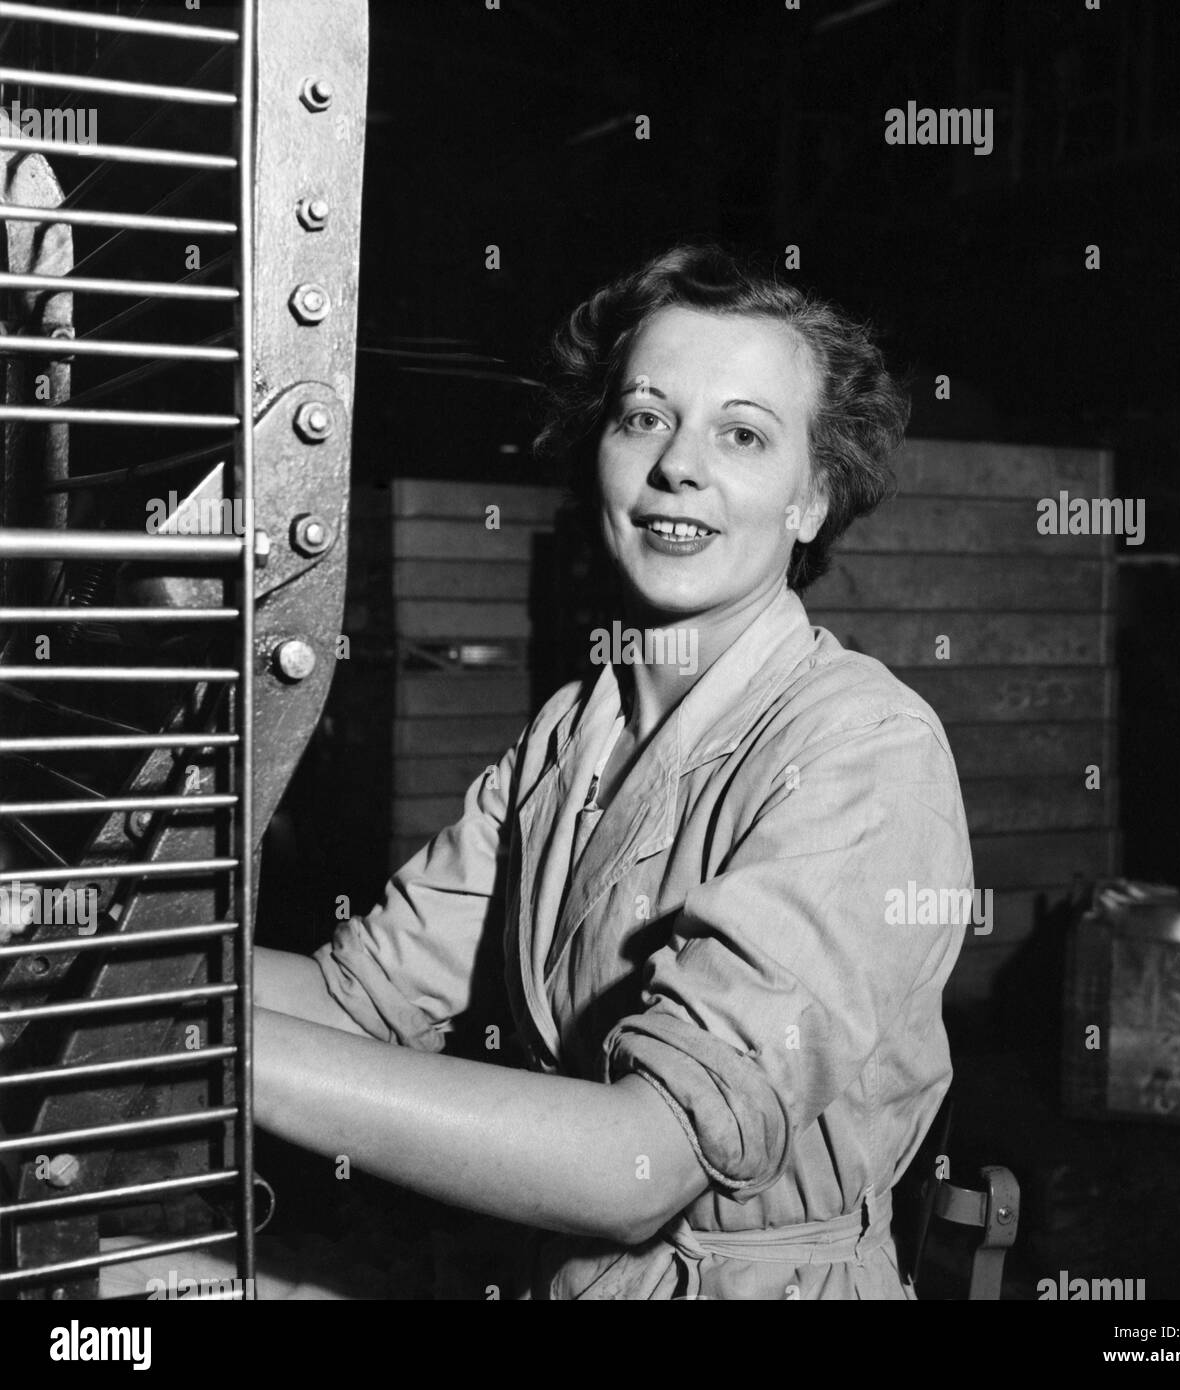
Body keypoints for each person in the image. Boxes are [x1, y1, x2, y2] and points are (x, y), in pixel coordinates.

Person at [253, 243, 972, 1300]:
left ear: (812, 499)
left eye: (741, 433)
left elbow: (641, 1162)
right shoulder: (572, 732)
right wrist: (95, 958)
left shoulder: (864, 750)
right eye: (644, 416)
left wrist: (226, 1056)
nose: (678, 463)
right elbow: (354, 998)